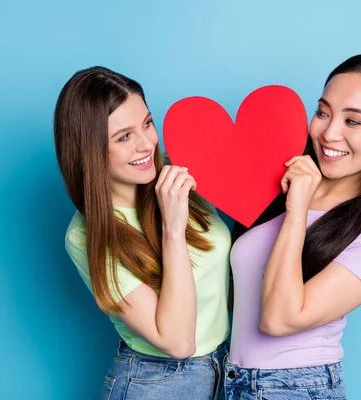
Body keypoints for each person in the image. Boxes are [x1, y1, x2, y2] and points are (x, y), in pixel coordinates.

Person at [225, 52, 361, 399]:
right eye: (323, 112)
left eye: (353, 121)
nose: (329, 133)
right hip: (231, 380)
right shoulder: (274, 184)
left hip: (296, 387)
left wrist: (297, 208)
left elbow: (279, 320)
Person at [53, 66, 231, 400]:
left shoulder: (179, 171)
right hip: (156, 383)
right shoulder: (85, 236)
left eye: (147, 123)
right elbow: (178, 341)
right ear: (89, 152)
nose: (146, 144)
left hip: (225, 371)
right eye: (124, 137)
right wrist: (173, 229)